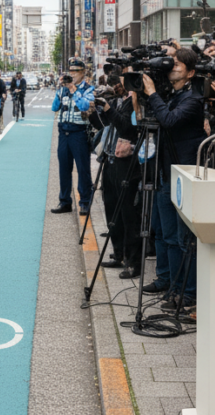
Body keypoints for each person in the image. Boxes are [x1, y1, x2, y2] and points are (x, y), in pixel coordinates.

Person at [138, 47, 208, 307]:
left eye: (177, 64)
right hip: (165, 171)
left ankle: (187, 292)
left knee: (183, 239)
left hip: (183, 174)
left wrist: (153, 93)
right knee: (164, 232)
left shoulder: (193, 99)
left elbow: (168, 120)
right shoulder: (174, 95)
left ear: (190, 72)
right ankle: (168, 281)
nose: (171, 67)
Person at [87, 73, 143, 278]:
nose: (117, 86)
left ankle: (132, 261)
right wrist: (95, 111)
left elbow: (127, 128)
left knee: (128, 213)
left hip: (127, 163)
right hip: (110, 159)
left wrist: (109, 109)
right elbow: (103, 126)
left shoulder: (137, 102)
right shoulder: (122, 100)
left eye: (121, 82)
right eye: (117, 82)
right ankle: (118, 253)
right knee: (112, 210)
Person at [50, 59, 95, 215]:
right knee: (64, 169)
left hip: (79, 132)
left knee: (83, 169)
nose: (72, 74)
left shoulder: (88, 89)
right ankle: (64, 202)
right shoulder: (63, 90)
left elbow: (84, 106)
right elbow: (54, 107)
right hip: (63, 132)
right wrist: (59, 89)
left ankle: (84, 202)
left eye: (75, 71)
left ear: (83, 73)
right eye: (71, 71)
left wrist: (73, 89)